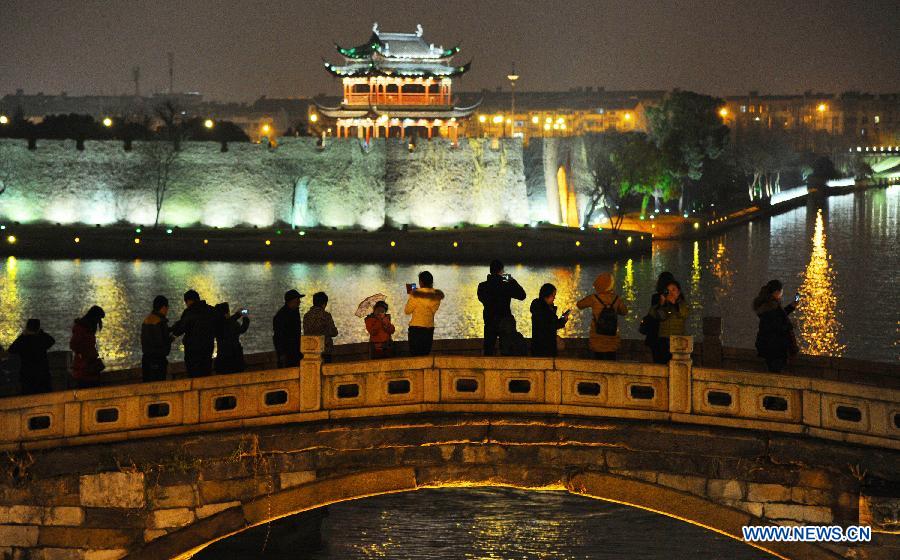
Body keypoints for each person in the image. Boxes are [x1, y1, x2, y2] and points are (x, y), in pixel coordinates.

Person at [477, 260, 526, 355]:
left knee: (489, 349)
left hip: (489, 320)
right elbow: (522, 295)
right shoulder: (506, 284)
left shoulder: (482, 286)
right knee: (507, 349)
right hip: (505, 320)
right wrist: (509, 279)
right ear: (501, 271)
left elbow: (482, 299)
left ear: (490, 271)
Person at [577, 272, 628, 360]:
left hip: (597, 337)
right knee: (611, 361)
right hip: (612, 337)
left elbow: (579, 305)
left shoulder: (594, 298)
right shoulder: (616, 298)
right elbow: (624, 312)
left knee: (598, 361)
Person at [753, 279, 799, 373]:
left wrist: (791, 306)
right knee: (775, 372)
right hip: (775, 348)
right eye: (781, 291)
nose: (782, 294)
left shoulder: (768, 306)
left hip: (768, 345)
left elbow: (778, 317)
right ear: (777, 292)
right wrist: (791, 325)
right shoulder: (772, 306)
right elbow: (776, 326)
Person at [170, 290, 218, 378]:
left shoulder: (189, 312)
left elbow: (181, 326)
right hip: (207, 347)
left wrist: (171, 333)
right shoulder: (211, 310)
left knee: (193, 374)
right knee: (206, 372)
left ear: (188, 301)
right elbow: (218, 324)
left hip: (192, 350)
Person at [8, 319, 55, 394]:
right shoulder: (41, 339)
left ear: (27, 327)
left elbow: (11, 349)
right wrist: (41, 333)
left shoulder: (23, 340)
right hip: (42, 374)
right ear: (38, 328)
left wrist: (23, 335)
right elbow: (52, 340)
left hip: (27, 374)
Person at [648, 280, 690, 364]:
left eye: (673, 290)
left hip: (678, 340)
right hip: (663, 340)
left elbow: (683, 314)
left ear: (678, 292)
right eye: (668, 291)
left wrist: (675, 304)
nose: (671, 293)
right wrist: (662, 304)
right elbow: (660, 316)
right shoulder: (660, 305)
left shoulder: (683, 304)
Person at [404, 271, 444, 356]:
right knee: (425, 355)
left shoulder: (415, 294)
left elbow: (407, 311)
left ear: (421, 282)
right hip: (429, 328)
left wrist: (411, 295)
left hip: (416, 328)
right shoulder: (436, 295)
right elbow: (433, 310)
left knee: (415, 355)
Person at [70, 305, 106, 388]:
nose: (99, 322)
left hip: (89, 365)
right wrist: (87, 354)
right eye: (98, 319)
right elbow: (74, 345)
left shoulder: (86, 328)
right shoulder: (82, 329)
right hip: (85, 367)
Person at [530, 284, 569, 357]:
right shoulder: (544, 310)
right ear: (546, 296)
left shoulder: (539, 308)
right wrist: (563, 320)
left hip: (538, 347)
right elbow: (551, 325)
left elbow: (550, 324)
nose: (554, 298)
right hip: (545, 349)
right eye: (553, 295)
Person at [141, 296, 172, 382]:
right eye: (167, 307)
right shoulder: (160, 322)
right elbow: (162, 341)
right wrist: (171, 338)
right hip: (158, 360)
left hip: (146, 359)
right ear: (163, 307)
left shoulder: (146, 320)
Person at [214, 302, 250, 374]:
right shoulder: (233, 324)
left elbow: (226, 322)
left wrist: (237, 315)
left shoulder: (216, 326)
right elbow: (243, 329)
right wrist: (245, 317)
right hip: (235, 359)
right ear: (227, 313)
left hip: (221, 360)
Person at [303, 292, 339, 363]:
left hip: (311, 349)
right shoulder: (326, 315)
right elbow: (333, 332)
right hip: (325, 350)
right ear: (324, 304)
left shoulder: (306, 316)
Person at [273, 289, 304, 367]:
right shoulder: (281, 316)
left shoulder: (294, 312)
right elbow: (278, 337)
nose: (299, 302)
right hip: (288, 354)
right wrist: (282, 354)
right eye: (298, 299)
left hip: (296, 352)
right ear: (292, 301)